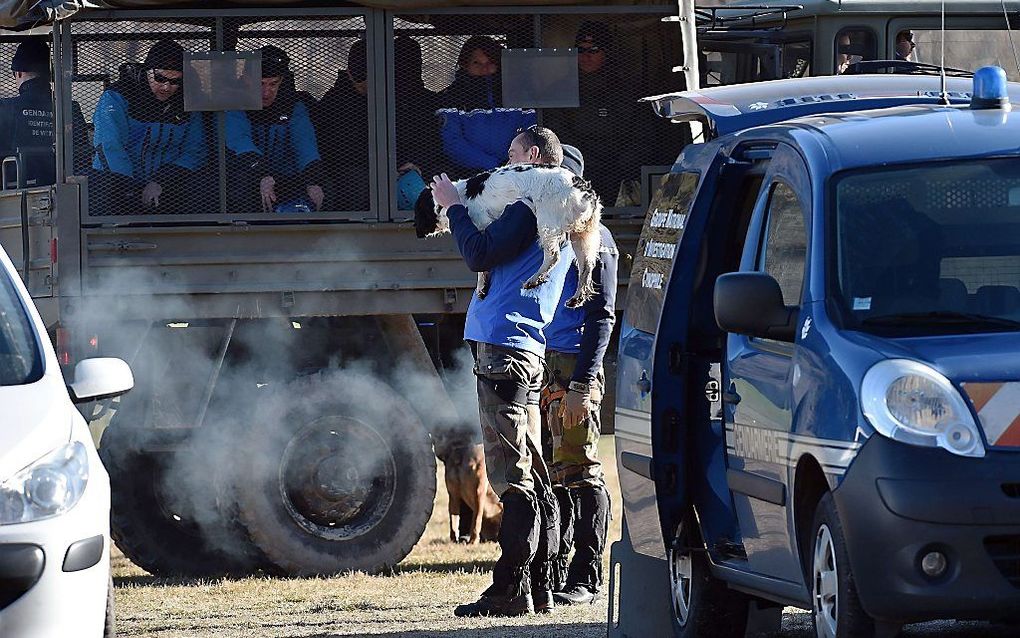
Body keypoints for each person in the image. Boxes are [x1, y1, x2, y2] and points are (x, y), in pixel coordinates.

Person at [430, 125, 572, 617]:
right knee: (533, 473)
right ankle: (542, 586)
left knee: (514, 480)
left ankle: (510, 590)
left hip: (503, 348)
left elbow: (479, 254)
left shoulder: (530, 203)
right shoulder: (563, 211)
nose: (504, 165)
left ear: (532, 156)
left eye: (512, 155)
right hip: (525, 347)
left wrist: (451, 204)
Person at [538, 144, 617, 605]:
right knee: (554, 471)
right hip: (548, 360)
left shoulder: (595, 237)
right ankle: (560, 567)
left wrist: (583, 384)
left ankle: (587, 576)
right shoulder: (551, 233)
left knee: (582, 469)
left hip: (572, 365)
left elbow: (603, 315)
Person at [90, 39, 206, 214]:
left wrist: (161, 181)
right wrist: (131, 188)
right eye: (160, 78)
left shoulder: (187, 103)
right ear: (147, 71)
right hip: (116, 184)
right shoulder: (118, 96)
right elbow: (109, 144)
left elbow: (195, 149)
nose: (167, 87)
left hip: (166, 186)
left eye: (175, 81)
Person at [542, 21, 638, 203]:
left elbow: (642, 137)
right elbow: (555, 133)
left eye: (593, 49)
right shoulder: (560, 90)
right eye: (580, 50)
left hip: (619, 175)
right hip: (574, 172)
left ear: (606, 52)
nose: (586, 56)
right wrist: (582, 163)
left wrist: (620, 168)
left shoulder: (627, 92)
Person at [226, 45, 324, 213]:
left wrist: (313, 181)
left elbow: (304, 144)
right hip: (249, 173)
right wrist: (262, 174)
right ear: (247, 79)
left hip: (286, 176)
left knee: (322, 190)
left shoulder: (294, 106)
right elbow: (240, 142)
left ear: (282, 81)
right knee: (240, 185)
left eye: (273, 84)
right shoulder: (235, 103)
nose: (266, 92)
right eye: (260, 84)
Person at [437, 36, 535, 174]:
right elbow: (452, 142)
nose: (485, 69)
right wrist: (493, 165)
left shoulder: (517, 92)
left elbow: (532, 131)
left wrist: (515, 162)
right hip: (468, 176)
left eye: (490, 62)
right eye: (477, 63)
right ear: (465, 64)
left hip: (516, 172)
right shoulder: (452, 96)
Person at [313, 39, 370, 211]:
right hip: (346, 171)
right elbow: (337, 150)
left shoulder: (395, 98)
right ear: (350, 73)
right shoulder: (335, 102)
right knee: (355, 181)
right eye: (361, 77)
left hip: (389, 169)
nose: (366, 84)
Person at [0, 37, 55, 189]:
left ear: (18, 73)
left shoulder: (5, 107)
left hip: (13, 194)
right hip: (65, 192)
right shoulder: (71, 109)